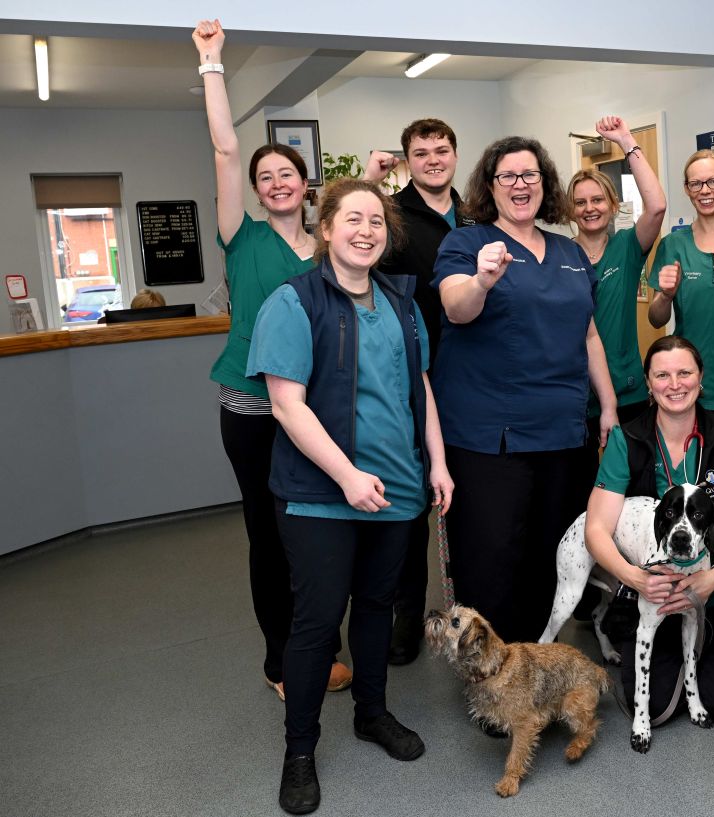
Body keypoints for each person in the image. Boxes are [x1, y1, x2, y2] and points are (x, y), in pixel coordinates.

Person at [246, 178, 454, 814]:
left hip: (395, 489)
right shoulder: (293, 301)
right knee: (315, 623)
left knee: (376, 608)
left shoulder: (400, 298)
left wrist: (437, 464)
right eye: (352, 219)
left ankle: (372, 713)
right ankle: (300, 751)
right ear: (326, 229)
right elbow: (286, 405)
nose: (366, 231)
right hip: (321, 495)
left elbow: (419, 387)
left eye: (377, 222)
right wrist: (346, 477)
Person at [193, 18, 350, 702]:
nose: (276, 181)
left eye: (287, 172)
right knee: (270, 533)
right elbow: (226, 149)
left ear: (306, 182)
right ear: (257, 190)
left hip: (315, 408)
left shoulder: (328, 245)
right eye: (266, 176)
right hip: (253, 406)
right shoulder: (241, 235)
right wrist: (211, 64)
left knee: (318, 527)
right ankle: (282, 658)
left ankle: (323, 642)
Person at [431, 136, 618, 643]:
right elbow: (455, 308)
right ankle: (489, 674)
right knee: (493, 556)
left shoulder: (570, 251)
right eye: (507, 176)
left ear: (545, 183)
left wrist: (608, 407)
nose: (520, 185)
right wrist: (482, 281)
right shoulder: (467, 244)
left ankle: (536, 663)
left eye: (530, 175)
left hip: (561, 432)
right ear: (489, 187)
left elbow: (589, 333)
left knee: (552, 553)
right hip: (492, 436)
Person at [585, 336, 714, 725]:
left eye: (685, 373)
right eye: (662, 375)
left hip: (710, 594)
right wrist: (635, 578)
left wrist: (712, 579)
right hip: (652, 596)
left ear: (701, 380)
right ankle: (664, 657)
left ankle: (701, 657)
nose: (674, 384)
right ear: (648, 383)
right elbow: (596, 529)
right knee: (655, 707)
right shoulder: (625, 439)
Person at [363, 118, 470, 667]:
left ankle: (471, 614)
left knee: (467, 500)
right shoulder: (393, 217)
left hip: (475, 380)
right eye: (421, 152)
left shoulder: (478, 214)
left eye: (442, 150)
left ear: (456, 154)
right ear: (407, 160)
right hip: (414, 378)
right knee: (409, 510)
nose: (433, 159)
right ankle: (404, 621)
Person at [566, 115, 667, 504]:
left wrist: (627, 141)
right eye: (580, 202)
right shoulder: (560, 254)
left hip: (627, 395)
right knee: (582, 494)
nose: (590, 209)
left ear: (612, 204)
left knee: (636, 492)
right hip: (575, 398)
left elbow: (656, 206)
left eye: (597, 200)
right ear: (570, 210)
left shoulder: (626, 247)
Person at [647, 150, 714, 414]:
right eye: (695, 184)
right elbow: (656, 319)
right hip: (688, 387)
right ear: (687, 189)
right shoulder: (673, 245)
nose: (705, 190)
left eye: (713, 181)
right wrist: (665, 296)